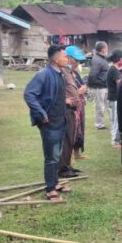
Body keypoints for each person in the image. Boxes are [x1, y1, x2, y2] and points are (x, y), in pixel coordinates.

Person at [23, 45, 72, 202]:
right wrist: (41, 113)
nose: (67, 59)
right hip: (49, 124)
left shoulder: (60, 73)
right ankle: (50, 189)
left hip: (60, 120)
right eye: (65, 56)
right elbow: (29, 94)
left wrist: (64, 101)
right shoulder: (43, 74)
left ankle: (54, 182)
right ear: (56, 59)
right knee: (51, 156)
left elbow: (51, 94)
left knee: (56, 154)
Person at [58, 45, 88, 178]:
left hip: (74, 110)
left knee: (71, 138)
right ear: (69, 59)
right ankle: (63, 169)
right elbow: (61, 92)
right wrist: (78, 92)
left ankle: (67, 165)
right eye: (76, 60)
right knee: (65, 139)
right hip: (65, 110)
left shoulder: (71, 73)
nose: (78, 63)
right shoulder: (61, 73)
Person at [87, 41, 109, 130]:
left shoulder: (102, 58)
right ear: (103, 49)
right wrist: (92, 85)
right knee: (100, 106)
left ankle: (112, 122)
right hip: (99, 87)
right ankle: (99, 125)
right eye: (107, 47)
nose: (108, 49)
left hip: (104, 86)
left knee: (108, 106)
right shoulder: (97, 60)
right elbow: (92, 74)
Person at [107, 50, 122, 148]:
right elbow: (120, 83)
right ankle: (115, 141)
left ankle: (118, 139)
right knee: (116, 120)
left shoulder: (114, 69)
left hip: (114, 98)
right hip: (114, 98)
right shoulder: (114, 70)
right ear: (120, 59)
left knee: (116, 119)